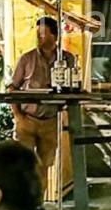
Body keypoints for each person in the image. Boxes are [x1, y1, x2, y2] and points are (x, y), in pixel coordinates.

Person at [8, 16, 75, 196]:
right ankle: (20, 202)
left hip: (50, 120)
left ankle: (39, 203)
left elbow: (70, 87)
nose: (39, 38)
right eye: (38, 34)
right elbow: (11, 88)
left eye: (43, 35)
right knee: (23, 164)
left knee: (44, 166)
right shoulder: (27, 59)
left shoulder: (67, 59)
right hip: (27, 119)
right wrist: (17, 116)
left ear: (55, 36)